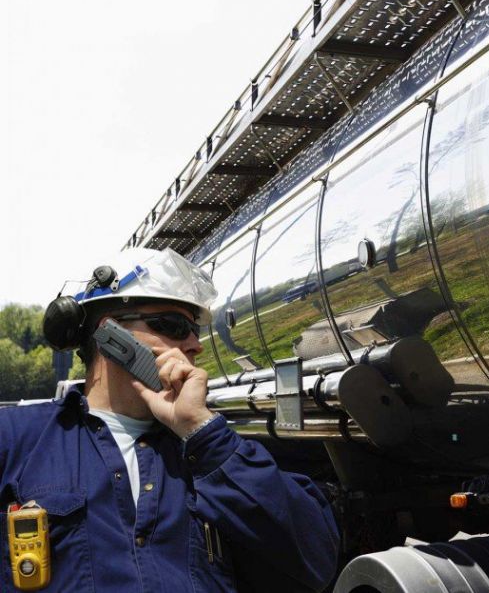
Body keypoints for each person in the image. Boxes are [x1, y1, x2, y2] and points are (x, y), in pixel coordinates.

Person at [0, 248, 339, 592]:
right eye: (174, 325)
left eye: (194, 330)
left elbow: (315, 563)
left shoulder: (217, 451)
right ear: (111, 335)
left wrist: (202, 433)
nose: (195, 344)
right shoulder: (15, 439)